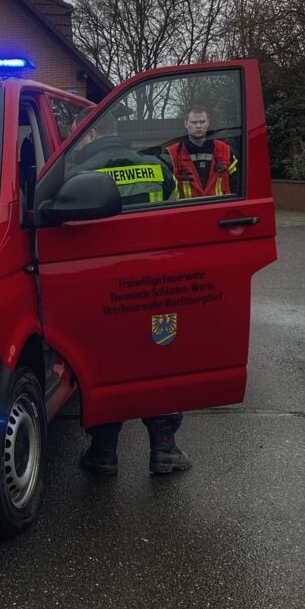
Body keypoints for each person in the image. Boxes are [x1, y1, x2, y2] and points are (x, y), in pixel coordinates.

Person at [69, 112, 191, 477]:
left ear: (91, 134)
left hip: (105, 288)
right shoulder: (156, 167)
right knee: (160, 363)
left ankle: (103, 453)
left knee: (109, 365)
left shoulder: (78, 173)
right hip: (156, 286)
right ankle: (164, 451)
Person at [166, 105, 238, 198]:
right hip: (187, 211)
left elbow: (237, 185)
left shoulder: (225, 151)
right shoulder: (172, 154)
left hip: (219, 209)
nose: (198, 126)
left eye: (202, 122)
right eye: (194, 122)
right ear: (186, 123)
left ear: (208, 123)